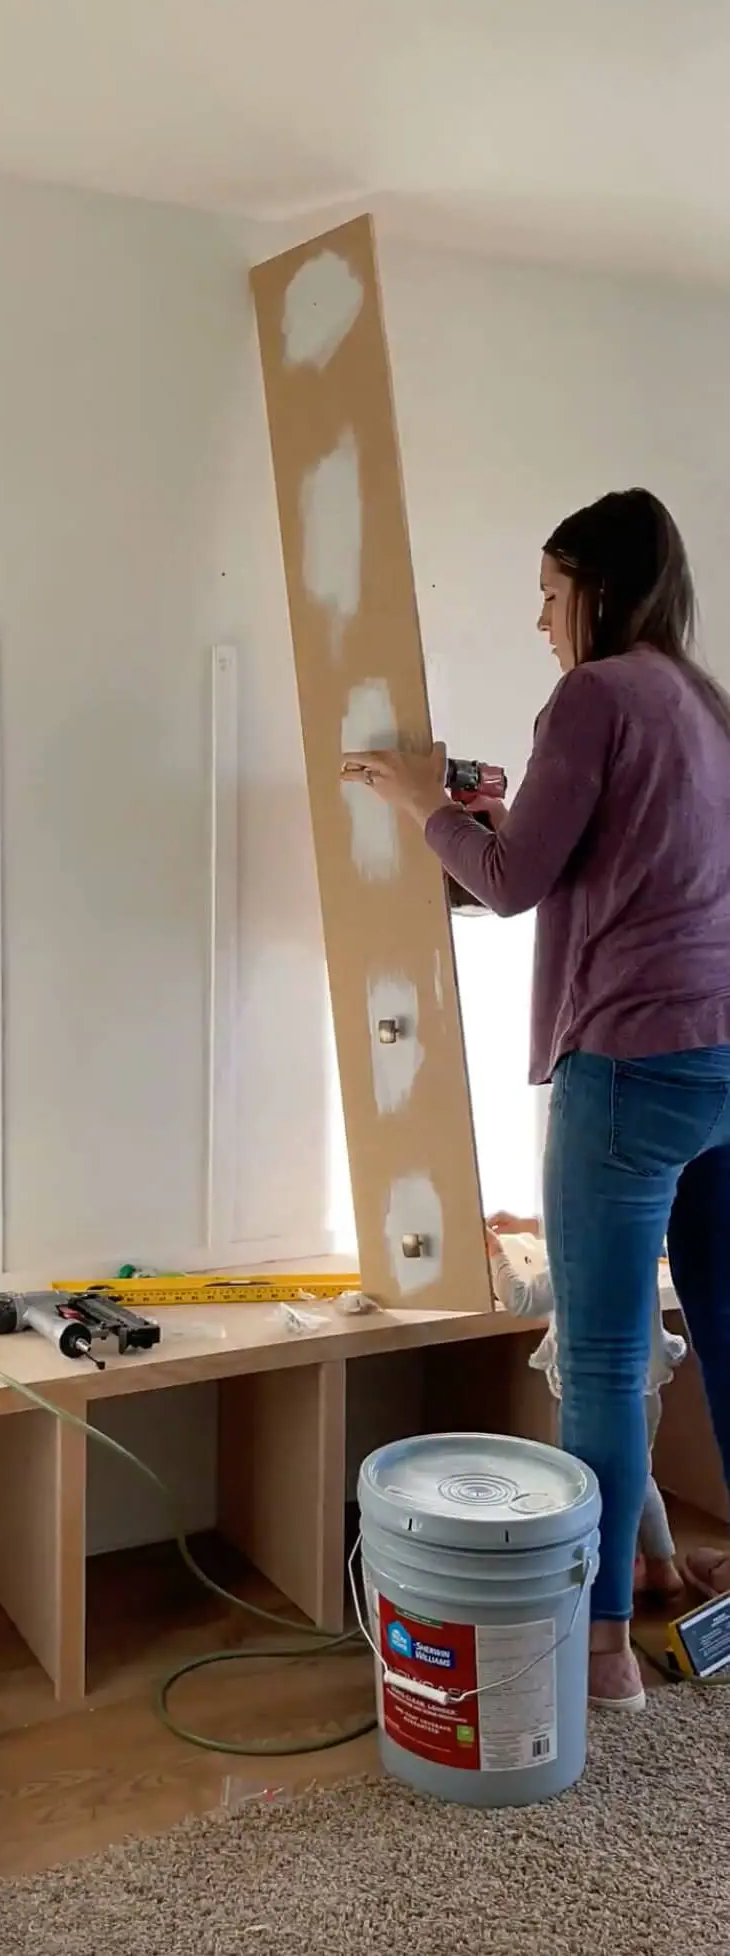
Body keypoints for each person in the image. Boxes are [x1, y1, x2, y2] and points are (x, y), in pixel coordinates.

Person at [341, 487, 730, 1710]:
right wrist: (493, 815)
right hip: (724, 1056)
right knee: (721, 1329)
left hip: (626, 1067)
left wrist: (421, 805)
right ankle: (661, 1573)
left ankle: (603, 1650)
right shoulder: (704, 704)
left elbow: (509, 884)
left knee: (608, 1361)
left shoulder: (594, 695)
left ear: (596, 591)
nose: (540, 618)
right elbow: (611, 860)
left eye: (551, 592)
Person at [484, 1210, 686, 1604]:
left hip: (599, 1391)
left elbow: (521, 1299)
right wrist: (531, 1226)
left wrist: (495, 1253)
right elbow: (591, 1217)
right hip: (644, 1383)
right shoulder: (633, 1231)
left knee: (606, 1482)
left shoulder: (575, 1256)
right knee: (638, 1472)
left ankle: (624, 1579)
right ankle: (661, 1567)